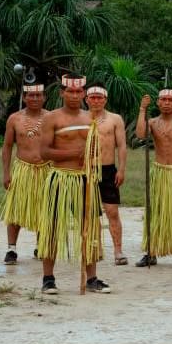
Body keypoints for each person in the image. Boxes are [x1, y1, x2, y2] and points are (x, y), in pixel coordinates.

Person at [37, 75, 109, 294]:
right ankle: (48, 279)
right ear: (62, 92)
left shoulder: (90, 118)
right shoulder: (51, 118)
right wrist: (73, 153)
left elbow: (96, 149)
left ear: (83, 94)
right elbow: (44, 152)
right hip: (60, 177)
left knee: (90, 228)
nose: (74, 96)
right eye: (70, 91)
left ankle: (92, 278)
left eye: (78, 92)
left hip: (85, 178)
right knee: (52, 227)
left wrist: (92, 152)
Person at [135, 89, 172, 266]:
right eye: (163, 99)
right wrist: (142, 109)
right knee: (156, 212)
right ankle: (151, 251)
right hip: (159, 172)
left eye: (170, 100)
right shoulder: (152, 122)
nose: (167, 103)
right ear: (158, 102)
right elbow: (140, 135)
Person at [0, 83, 49, 264]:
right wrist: (6, 173)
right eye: (31, 95)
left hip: (46, 170)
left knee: (45, 209)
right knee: (16, 209)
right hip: (22, 169)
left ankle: (41, 246)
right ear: (24, 97)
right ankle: (11, 249)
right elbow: (7, 147)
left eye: (38, 95)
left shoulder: (52, 118)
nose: (35, 98)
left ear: (44, 97)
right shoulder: (14, 119)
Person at [84, 84, 129, 266]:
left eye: (99, 97)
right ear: (86, 99)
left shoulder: (115, 119)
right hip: (86, 170)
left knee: (112, 211)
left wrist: (121, 169)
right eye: (92, 97)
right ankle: (96, 247)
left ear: (105, 100)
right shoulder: (80, 118)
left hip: (108, 170)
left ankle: (118, 250)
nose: (96, 101)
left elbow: (122, 145)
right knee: (90, 212)